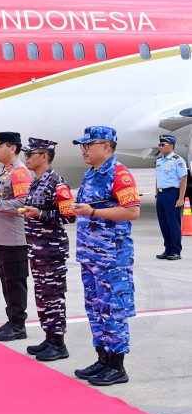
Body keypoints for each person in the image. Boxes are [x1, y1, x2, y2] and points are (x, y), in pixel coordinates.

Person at [71, 126, 140, 386]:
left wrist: (91, 212)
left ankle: (117, 367)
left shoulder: (118, 173)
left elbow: (132, 211)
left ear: (107, 146)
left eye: (89, 145)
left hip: (112, 256)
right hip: (91, 255)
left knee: (113, 310)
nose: (84, 149)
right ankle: (102, 359)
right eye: (83, 145)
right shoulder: (91, 174)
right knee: (95, 308)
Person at [21, 138, 76, 361]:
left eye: (30, 154)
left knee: (53, 296)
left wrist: (40, 214)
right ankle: (49, 337)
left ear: (44, 156)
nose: (26, 158)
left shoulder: (56, 183)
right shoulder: (36, 182)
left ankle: (59, 343)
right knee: (43, 295)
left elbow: (70, 215)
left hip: (51, 250)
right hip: (37, 249)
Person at [0, 132, 32, 341]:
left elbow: (22, 205)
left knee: (15, 281)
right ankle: (12, 320)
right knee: (6, 280)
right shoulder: (4, 171)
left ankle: (19, 325)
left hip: (14, 238)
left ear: (12, 148)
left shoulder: (19, 173)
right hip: (2, 238)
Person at [154, 134, 187, 260]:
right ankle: (167, 249)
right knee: (164, 223)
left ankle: (176, 250)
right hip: (162, 194)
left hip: (172, 193)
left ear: (171, 146)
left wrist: (181, 198)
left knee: (173, 224)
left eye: (163, 145)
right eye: (159, 145)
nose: (160, 147)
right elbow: (158, 178)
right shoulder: (159, 161)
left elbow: (183, 179)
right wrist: (157, 195)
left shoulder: (177, 160)